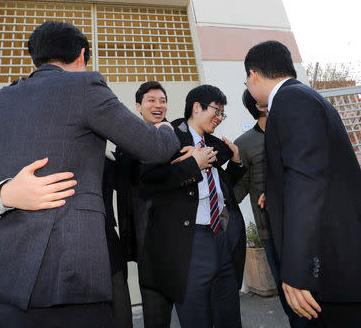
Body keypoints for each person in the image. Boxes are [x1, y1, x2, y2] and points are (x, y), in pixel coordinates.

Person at [0, 20, 180, 328]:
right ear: (82, 56)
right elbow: (156, 150)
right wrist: (166, 129)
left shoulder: (1, 97)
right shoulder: (85, 87)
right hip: (68, 282)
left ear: (36, 59)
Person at [244, 40, 361, 327]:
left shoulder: (291, 101)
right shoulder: (302, 97)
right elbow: (311, 173)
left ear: (254, 75)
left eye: (247, 79)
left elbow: (306, 181)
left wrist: (297, 271)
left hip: (331, 268)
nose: (248, 84)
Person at [139, 85, 246, 328]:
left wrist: (237, 163)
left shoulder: (216, 146)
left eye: (222, 114)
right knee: (197, 317)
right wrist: (192, 164)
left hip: (222, 238)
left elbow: (221, 187)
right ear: (197, 107)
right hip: (191, 243)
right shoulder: (169, 136)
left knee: (229, 315)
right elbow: (147, 183)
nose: (219, 118)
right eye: (216, 111)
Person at [233, 89, 310, 328]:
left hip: (306, 224)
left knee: (317, 288)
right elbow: (238, 190)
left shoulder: (294, 133)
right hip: (271, 233)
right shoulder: (244, 144)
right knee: (289, 297)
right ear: (259, 105)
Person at [114, 81, 173, 328]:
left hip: (182, 238)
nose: (158, 105)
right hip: (147, 241)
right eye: (151, 100)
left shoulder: (176, 134)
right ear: (138, 106)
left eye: (162, 100)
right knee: (156, 316)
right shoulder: (126, 143)